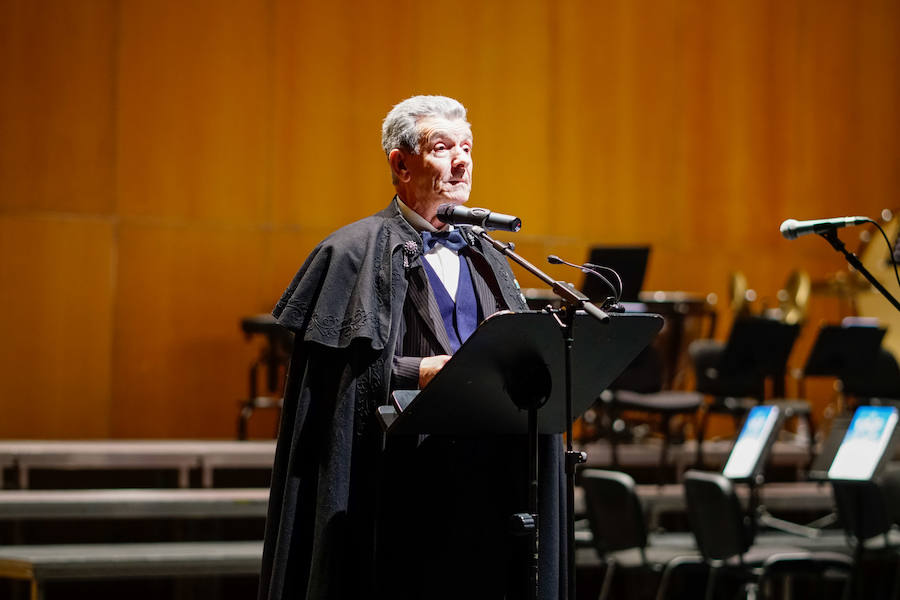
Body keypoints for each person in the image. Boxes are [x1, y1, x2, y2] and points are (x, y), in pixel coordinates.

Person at [258, 95, 565, 600]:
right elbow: (334, 386)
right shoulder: (350, 252)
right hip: (395, 488)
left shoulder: (490, 255)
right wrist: (414, 371)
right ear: (401, 164)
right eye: (442, 148)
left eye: (467, 148)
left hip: (489, 486)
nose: (461, 161)